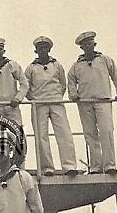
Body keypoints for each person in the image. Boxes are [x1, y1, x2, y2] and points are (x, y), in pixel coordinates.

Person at [68, 31, 117, 174]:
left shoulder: (105, 60)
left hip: (103, 100)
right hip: (85, 102)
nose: (88, 46)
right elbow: (71, 82)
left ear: (94, 44)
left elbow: (116, 78)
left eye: (89, 43)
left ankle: (110, 165)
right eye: (84, 44)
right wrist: (73, 95)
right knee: (90, 134)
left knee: (106, 131)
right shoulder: (76, 66)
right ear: (81, 47)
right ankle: (96, 166)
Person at [25, 36, 78, 176]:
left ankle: (69, 166)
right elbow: (26, 87)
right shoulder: (30, 68)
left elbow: (62, 84)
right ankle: (47, 167)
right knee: (41, 136)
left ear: (49, 49)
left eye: (45, 48)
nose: (43, 50)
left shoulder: (57, 65)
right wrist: (36, 98)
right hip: (39, 104)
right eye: (40, 48)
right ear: (36, 50)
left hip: (56, 102)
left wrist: (56, 96)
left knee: (64, 134)